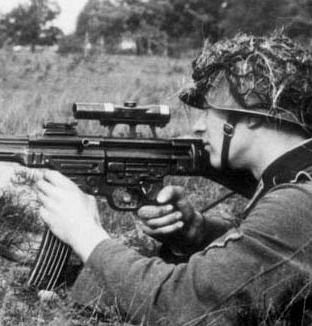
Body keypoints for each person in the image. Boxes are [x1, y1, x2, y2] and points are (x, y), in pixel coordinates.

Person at [35, 32, 312, 325]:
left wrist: (84, 234)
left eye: (209, 111)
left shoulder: (298, 201)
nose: (198, 126)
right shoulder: (292, 180)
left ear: (253, 113)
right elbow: (273, 259)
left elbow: (184, 305)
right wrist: (197, 233)